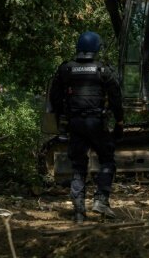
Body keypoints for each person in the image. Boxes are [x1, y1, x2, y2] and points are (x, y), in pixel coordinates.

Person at [50, 31, 124, 223]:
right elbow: (116, 97)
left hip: (75, 123)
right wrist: (120, 121)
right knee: (107, 160)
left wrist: (62, 119)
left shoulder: (66, 69)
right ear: (96, 49)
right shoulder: (103, 70)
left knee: (78, 166)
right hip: (97, 123)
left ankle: (79, 211)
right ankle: (101, 200)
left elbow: (55, 98)